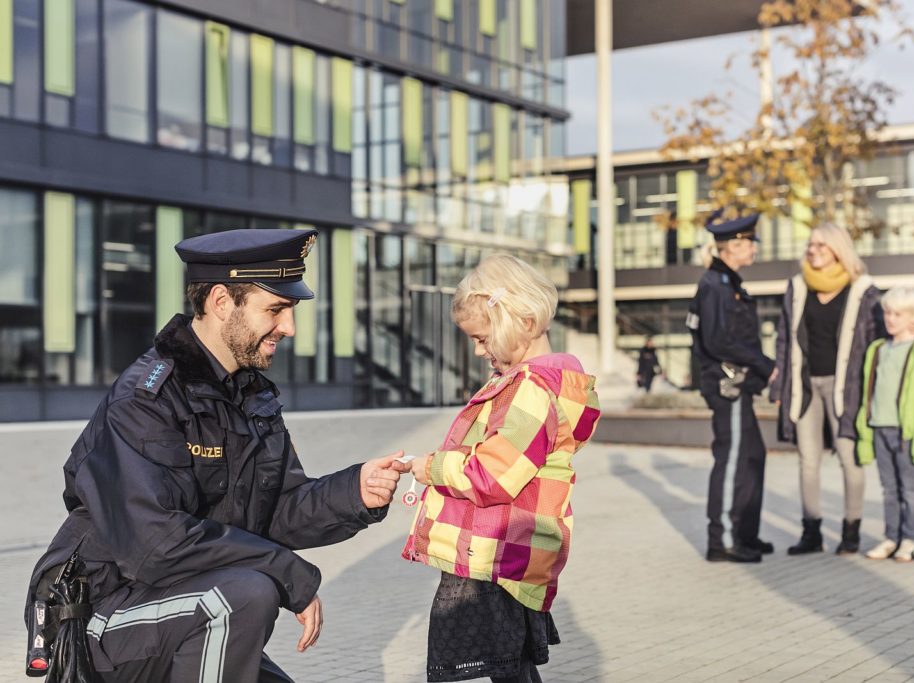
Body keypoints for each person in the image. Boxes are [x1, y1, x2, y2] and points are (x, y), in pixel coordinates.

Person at [24, 228, 409, 682]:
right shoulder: (146, 399)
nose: (289, 328)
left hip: (176, 604)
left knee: (244, 594)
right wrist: (289, 574)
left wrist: (354, 492)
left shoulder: (250, 397)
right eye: (276, 309)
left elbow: (275, 513)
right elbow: (154, 544)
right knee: (246, 595)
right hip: (98, 616)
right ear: (222, 302)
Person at [402, 254, 601, 683]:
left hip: (496, 552)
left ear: (523, 323)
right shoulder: (536, 382)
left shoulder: (531, 388)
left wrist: (430, 467)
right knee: (512, 669)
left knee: (506, 670)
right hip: (505, 550)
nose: (478, 350)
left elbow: (493, 474)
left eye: (481, 337)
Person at [770, 223, 884, 556]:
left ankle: (851, 531)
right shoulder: (797, 286)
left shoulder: (863, 289)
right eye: (810, 245)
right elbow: (783, 336)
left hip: (845, 387)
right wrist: (778, 383)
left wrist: (872, 391)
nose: (813, 250)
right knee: (808, 461)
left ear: (839, 249)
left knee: (849, 459)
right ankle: (812, 532)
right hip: (804, 385)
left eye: (821, 244)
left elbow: (874, 342)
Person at [688, 213, 777, 563]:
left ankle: (745, 533)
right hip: (728, 384)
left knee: (752, 456)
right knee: (733, 459)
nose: (755, 248)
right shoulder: (715, 285)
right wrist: (766, 365)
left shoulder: (729, 283)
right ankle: (722, 539)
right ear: (735, 245)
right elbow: (719, 340)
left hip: (739, 384)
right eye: (750, 242)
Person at [855, 287, 914, 563]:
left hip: (906, 433)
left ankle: (911, 539)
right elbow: (867, 393)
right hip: (879, 427)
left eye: (898, 314)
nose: (890, 319)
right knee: (889, 489)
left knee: (910, 490)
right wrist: (865, 431)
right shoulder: (878, 349)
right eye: (887, 313)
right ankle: (891, 537)